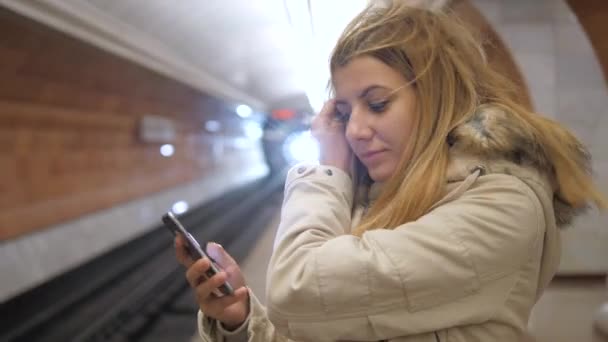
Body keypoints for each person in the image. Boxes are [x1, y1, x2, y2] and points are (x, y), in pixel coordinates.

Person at [175, 2, 607, 341]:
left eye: (378, 104)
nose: (356, 130)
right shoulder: (380, 194)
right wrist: (242, 322)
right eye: (344, 112)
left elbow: (296, 290)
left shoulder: (500, 206)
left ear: (437, 97)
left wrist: (326, 173)